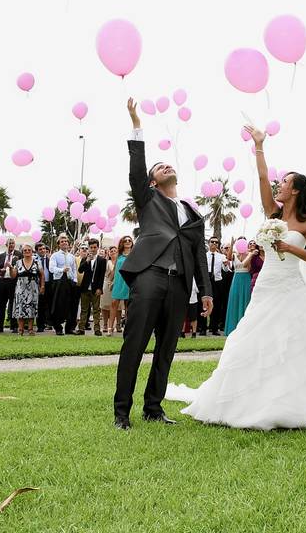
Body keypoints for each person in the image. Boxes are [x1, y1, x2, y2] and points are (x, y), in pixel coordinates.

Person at [166, 122, 306, 430]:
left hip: (292, 287)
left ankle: (299, 401)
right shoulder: (272, 212)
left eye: (284, 183)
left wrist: (287, 246)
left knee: (295, 341)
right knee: (255, 337)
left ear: (295, 190)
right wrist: (259, 145)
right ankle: (251, 398)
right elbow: (261, 176)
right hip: (267, 285)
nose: (278, 186)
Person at [114, 99, 213, 430]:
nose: (166, 166)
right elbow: (136, 168)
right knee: (136, 344)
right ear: (152, 182)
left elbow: (199, 254)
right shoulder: (148, 199)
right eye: (159, 167)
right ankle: (121, 412)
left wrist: (206, 291)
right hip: (150, 277)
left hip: (180, 284)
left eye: (168, 165)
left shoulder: (192, 212)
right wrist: (136, 124)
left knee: (166, 348)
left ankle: (153, 407)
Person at [10, 243, 43, 336]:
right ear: (22, 252)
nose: (27, 252)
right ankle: (20, 329)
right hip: (20, 288)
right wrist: (10, 268)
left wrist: (42, 286)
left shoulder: (36, 262)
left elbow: (42, 275)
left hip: (33, 287)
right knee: (20, 307)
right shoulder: (18, 262)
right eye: (25, 250)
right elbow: (13, 276)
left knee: (32, 307)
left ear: (32, 251)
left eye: (29, 250)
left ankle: (30, 329)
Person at [76, 237, 107, 336]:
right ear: (89, 248)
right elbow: (80, 270)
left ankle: (97, 329)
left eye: (94, 247)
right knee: (84, 309)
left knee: (96, 309)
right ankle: (81, 328)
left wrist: (100, 288)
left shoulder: (102, 260)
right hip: (85, 288)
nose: (93, 249)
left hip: (95, 288)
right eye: (91, 247)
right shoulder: (85, 258)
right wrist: (87, 261)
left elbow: (102, 276)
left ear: (97, 247)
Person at [48, 234, 77, 335]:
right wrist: (61, 270)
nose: (64, 243)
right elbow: (51, 268)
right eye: (62, 241)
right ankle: (58, 328)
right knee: (58, 305)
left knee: (71, 306)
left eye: (66, 241)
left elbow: (74, 269)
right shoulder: (54, 256)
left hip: (70, 282)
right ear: (58, 244)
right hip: (59, 282)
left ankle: (69, 328)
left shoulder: (71, 257)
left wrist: (75, 280)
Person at [0, 237, 21, 332]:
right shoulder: (1, 256)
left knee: (13, 304)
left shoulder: (19, 255)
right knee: (1, 305)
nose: (11, 245)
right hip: (2, 283)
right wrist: (1, 270)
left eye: (12, 243)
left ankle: (14, 325)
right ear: (6, 245)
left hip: (14, 282)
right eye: (9, 243)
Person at [224, 238, 253, 336]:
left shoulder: (250, 254)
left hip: (246, 279)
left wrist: (249, 254)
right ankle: (233, 327)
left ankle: (244, 328)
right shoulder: (234, 255)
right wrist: (231, 244)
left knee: (245, 300)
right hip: (236, 279)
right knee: (235, 300)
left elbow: (248, 267)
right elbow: (228, 258)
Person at [204, 237, 228, 335]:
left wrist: (226, 265)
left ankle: (214, 328)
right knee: (205, 304)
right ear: (209, 243)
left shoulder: (221, 256)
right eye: (212, 242)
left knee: (217, 305)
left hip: (217, 282)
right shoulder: (204, 256)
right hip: (207, 281)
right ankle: (202, 328)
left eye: (216, 242)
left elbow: (226, 270)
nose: (214, 243)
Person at [111, 235, 133, 334]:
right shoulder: (119, 255)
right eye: (125, 241)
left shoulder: (135, 254)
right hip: (119, 282)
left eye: (129, 240)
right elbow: (114, 269)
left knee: (128, 306)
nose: (128, 242)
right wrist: (111, 281)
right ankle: (110, 328)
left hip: (130, 282)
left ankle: (128, 329)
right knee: (114, 303)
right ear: (122, 243)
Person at [101, 245, 117, 335]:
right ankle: (105, 324)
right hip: (107, 283)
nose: (113, 252)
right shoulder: (106, 262)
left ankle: (112, 325)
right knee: (104, 305)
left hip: (117, 284)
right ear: (109, 253)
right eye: (111, 251)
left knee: (114, 305)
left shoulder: (120, 262)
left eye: (115, 250)